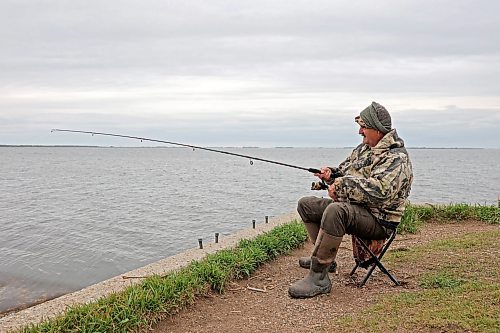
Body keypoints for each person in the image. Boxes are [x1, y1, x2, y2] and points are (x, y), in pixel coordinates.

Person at [288, 101, 413, 298]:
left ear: (377, 129)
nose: (360, 132)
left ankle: (319, 278)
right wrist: (331, 176)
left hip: (379, 221)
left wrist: (342, 186)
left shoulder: (396, 158)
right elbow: (345, 172)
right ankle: (323, 259)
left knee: (335, 211)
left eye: (363, 127)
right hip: (356, 209)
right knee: (306, 205)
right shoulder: (363, 149)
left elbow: (380, 191)